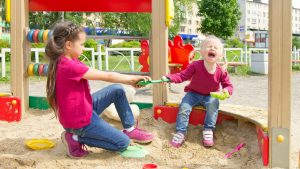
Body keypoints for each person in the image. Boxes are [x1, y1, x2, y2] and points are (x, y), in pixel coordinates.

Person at [45, 21, 154, 158]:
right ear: (68, 45)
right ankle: (74, 138)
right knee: (123, 143)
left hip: (83, 109)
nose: (84, 48)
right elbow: (107, 76)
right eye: (82, 44)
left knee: (117, 90)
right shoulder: (68, 66)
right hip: (79, 122)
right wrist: (132, 79)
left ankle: (130, 129)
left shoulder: (71, 61)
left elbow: (103, 74)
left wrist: (131, 80)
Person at [163, 36, 233, 148]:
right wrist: (169, 78)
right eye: (209, 46)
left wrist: (226, 91)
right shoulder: (195, 65)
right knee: (184, 107)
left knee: (213, 104)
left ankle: (208, 130)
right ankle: (181, 132)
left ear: (220, 55)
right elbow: (182, 76)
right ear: (201, 52)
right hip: (193, 94)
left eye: (216, 48)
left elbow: (228, 85)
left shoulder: (221, 71)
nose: (212, 49)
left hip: (211, 96)